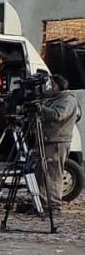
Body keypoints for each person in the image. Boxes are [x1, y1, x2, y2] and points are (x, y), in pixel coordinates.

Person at [36, 72, 80, 213]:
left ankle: (54, 205)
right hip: (47, 140)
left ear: (58, 85)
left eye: (51, 85)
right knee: (43, 173)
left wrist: (40, 109)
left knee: (53, 174)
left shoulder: (67, 99)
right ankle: (42, 203)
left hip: (57, 141)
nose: (48, 88)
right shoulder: (53, 98)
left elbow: (58, 115)